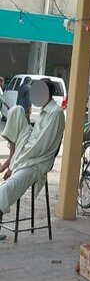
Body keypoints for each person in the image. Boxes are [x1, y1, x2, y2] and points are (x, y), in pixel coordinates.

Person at [0, 78, 65, 240]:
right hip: (28, 151)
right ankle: (11, 158)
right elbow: (33, 139)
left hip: (38, 160)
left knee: (6, 188)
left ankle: (12, 163)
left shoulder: (55, 113)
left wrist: (15, 166)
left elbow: (40, 146)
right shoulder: (43, 111)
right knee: (16, 111)